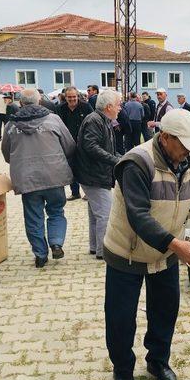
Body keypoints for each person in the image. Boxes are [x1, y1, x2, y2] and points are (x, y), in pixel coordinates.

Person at [103, 109, 190, 380]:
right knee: (121, 317)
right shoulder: (136, 162)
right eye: (182, 145)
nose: (187, 153)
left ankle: (158, 362)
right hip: (127, 252)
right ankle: (122, 368)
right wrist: (175, 244)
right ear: (165, 137)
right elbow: (139, 216)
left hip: (166, 254)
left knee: (165, 311)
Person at [1, 89, 75, 268]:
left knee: (33, 217)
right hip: (53, 175)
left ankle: (40, 254)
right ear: (39, 101)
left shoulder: (12, 124)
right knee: (56, 210)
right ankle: (56, 242)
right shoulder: (53, 119)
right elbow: (70, 145)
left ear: (21, 103)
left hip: (27, 178)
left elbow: (6, 151)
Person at [75, 90, 122, 260]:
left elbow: (107, 147)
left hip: (96, 174)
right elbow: (91, 146)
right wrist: (114, 160)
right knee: (105, 213)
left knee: (96, 213)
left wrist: (121, 157)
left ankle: (95, 247)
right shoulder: (95, 120)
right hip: (93, 175)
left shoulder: (103, 120)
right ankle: (104, 251)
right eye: (118, 104)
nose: (120, 108)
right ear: (109, 107)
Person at [56, 86, 93, 201]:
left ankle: (88, 192)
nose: (72, 99)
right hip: (67, 143)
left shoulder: (86, 107)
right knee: (71, 168)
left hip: (84, 143)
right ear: (65, 97)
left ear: (78, 96)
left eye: (74, 96)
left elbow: (93, 122)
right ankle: (75, 192)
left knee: (86, 168)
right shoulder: (60, 108)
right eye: (69, 97)